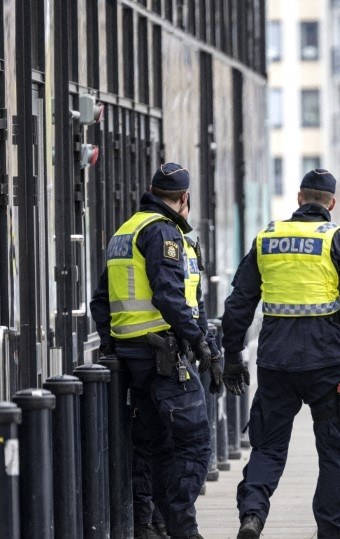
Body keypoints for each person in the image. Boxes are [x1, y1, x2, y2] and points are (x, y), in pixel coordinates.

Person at [220, 168, 340, 539]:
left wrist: (232, 356)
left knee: (267, 447)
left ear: (299, 199)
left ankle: (252, 515)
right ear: (331, 203)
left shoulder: (267, 238)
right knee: (335, 452)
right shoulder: (337, 241)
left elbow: (238, 305)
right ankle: (330, 531)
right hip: (326, 364)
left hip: (276, 363)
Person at [89, 163, 222, 539]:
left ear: (151, 189)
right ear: (185, 198)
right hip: (164, 357)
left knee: (154, 443)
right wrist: (200, 342)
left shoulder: (124, 231)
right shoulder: (162, 232)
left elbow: (101, 300)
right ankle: (182, 528)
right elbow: (170, 296)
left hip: (135, 357)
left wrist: (114, 345)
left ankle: (152, 525)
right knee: (194, 444)